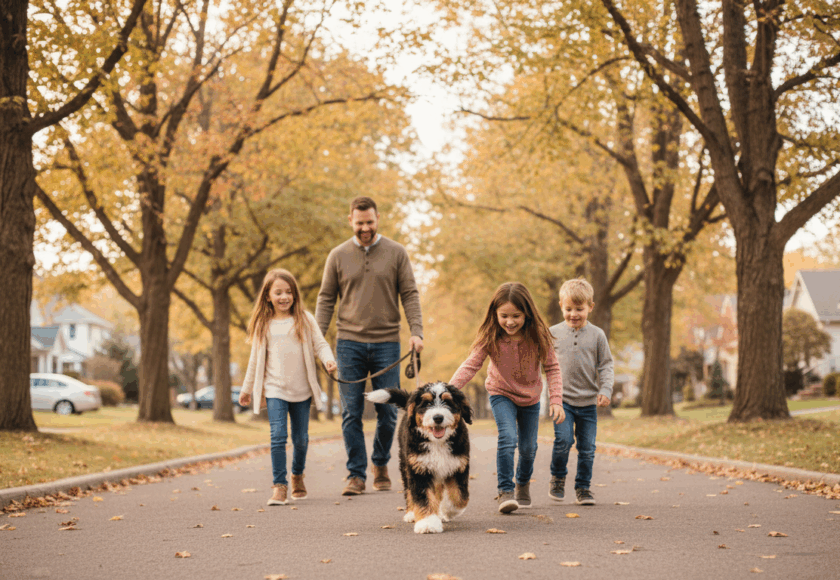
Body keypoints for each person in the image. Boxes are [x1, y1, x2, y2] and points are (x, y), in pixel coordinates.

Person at [315, 196, 424, 496]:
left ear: (378, 219)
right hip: (348, 342)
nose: (365, 228)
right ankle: (356, 474)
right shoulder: (337, 256)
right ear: (350, 220)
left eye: (370, 222)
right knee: (351, 411)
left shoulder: (396, 252)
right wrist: (317, 337)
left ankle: (380, 462)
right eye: (360, 222)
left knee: (389, 412)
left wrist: (417, 332)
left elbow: (410, 294)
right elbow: (326, 299)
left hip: (387, 342)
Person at [449, 282, 564, 513]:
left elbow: (552, 368)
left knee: (529, 448)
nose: (509, 321)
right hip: (501, 393)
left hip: (531, 397)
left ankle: (522, 483)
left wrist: (556, 400)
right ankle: (505, 491)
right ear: (495, 314)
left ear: (527, 314)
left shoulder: (539, 335)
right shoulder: (491, 335)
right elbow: (472, 364)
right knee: (508, 437)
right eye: (504, 316)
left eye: (516, 316)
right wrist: (448, 390)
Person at [239, 269, 337, 506]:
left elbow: (320, 344)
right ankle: (279, 486)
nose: (284, 297)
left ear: (295, 295)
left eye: (288, 292)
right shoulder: (264, 324)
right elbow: (255, 359)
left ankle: (297, 474)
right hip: (274, 390)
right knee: (278, 436)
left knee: (301, 439)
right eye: (278, 292)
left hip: (301, 390)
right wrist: (247, 388)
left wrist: (328, 359)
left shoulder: (304, 319)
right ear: (268, 296)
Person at [548, 278, 614, 506]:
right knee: (563, 441)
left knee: (587, 448)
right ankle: (557, 478)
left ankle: (583, 488)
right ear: (561, 307)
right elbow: (543, 365)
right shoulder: (552, 333)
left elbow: (606, 364)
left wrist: (605, 388)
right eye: (568, 309)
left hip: (587, 403)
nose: (573, 314)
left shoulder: (597, 335)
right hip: (562, 401)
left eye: (579, 309)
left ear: (590, 307)